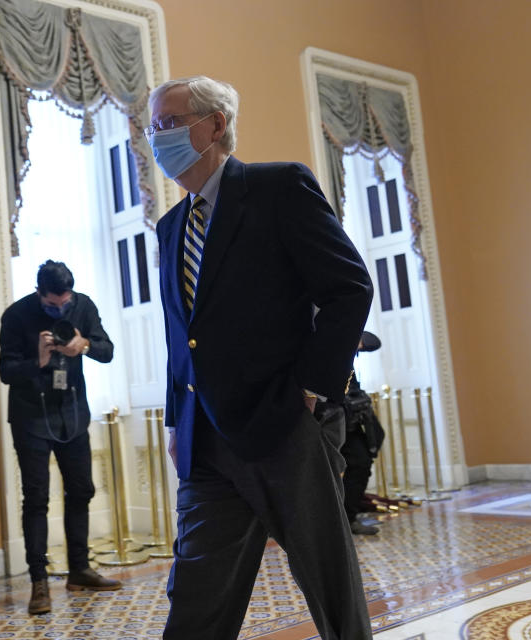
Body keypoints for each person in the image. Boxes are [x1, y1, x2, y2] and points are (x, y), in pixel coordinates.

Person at [147, 76, 375, 639]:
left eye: (169, 124)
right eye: (151, 128)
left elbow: (349, 289)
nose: (157, 138)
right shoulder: (172, 225)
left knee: (330, 585)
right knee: (196, 594)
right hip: (206, 440)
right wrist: (178, 419)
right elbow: (183, 336)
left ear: (216, 125)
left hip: (284, 425)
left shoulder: (278, 188)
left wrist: (311, 387)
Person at [0, 260, 120, 615]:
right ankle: (39, 582)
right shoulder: (17, 315)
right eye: (53, 305)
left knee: (81, 489)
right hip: (31, 417)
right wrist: (38, 359)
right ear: (40, 294)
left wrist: (82, 345)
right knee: (36, 497)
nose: (60, 309)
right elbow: (6, 371)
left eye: (64, 303)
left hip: (72, 413)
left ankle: (79, 570)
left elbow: (107, 350)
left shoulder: (83, 305)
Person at [339, 331, 387, 534]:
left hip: (351, 413)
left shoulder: (341, 330)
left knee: (361, 462)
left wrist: (351, 337)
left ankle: (348, 519)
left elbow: (373, 342)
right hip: (327, 413)